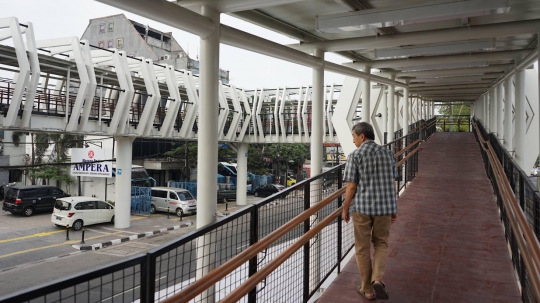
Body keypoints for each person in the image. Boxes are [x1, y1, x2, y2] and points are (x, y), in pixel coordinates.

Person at [342, 122, 398, 301]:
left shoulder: (355, 155)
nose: (353, 141)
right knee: (381, 243)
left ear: (362, 136)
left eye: (354, 137)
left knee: (362, 248)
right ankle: (378, 280)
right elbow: (392, 182)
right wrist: (393, 208)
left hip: (362, 209)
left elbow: (351, 186)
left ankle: (367, 289)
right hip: (384, 208)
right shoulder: (388, 153)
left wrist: (345, 208)